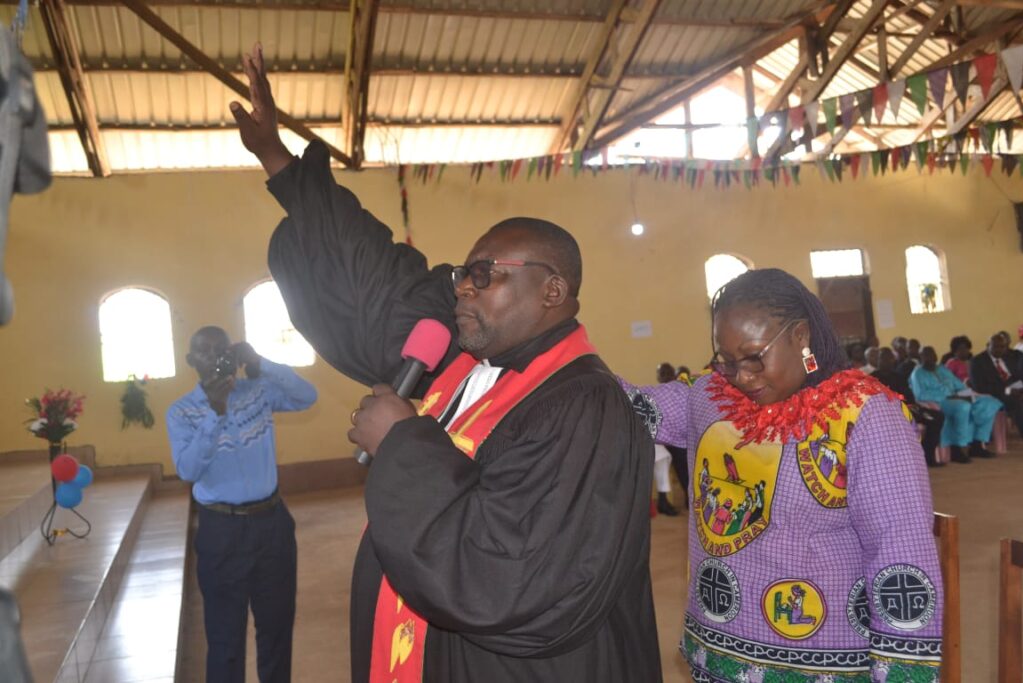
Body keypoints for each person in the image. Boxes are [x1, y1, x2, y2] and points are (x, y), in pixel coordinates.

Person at [230, 43, 661, 683]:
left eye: (485, 275)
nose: (463, 287)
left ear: (553, 292)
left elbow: (503, 573)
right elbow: (371, 271)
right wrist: (275, 157)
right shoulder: (459, 358)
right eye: (464, 273)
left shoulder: (584, 410)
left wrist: (402, 440)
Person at [620, 269, 943, 682]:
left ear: (801, 336)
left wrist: (901, 673)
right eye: (727, 360)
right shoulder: (710, 396)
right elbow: (623, 407)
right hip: (719, 655)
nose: (742, 376)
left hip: (820, 664)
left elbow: (900, 550)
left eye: (754, 356)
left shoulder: (864, 414)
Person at [167, 326, 317, 683]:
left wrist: (260, 362)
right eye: (205, 352)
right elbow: (188, 469)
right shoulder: (182, 412)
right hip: (222, 532)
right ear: (191, 361)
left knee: (277, 629)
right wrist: (214, 416)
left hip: (272, 524)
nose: (216, 358)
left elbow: (306, 396)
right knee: (224, 639)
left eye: (223, 350)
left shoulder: (258, 391)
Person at [911, 346, 1000, 463]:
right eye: (926, 355)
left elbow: (959, 386)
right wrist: (950, 396)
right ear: (921, 358)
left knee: (990, 402)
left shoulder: (942, 369)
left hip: (957, 397)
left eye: (932, 355)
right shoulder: (917, 374)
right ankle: (956, 449)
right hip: (939, 402)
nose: (930, 358)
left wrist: (968, 394)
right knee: (963, 406)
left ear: (936, 356)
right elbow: (920, 395)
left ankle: (977, 444)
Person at [873, 347, 945, 467]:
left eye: (889, 358)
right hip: (887, 414)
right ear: (878, 360)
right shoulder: (872, 379)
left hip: (908, 409)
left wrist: (914, 407)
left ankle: (928, 456)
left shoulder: (898, 376)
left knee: (937, 417)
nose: (887, 361)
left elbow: (909, 396)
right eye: (884, 358)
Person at [970, 333, 1023, 438]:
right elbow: (979, 387)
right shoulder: (977, 361)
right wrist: (1008, 390)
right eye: (995, 346)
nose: (999, 349)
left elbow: (1018, 376)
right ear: (987, 345)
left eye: (1002, 347)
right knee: (1014, 401)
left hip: (1014, 389)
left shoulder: (1009, 358)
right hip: (994, 394)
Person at [655, 362, 687, 514]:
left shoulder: (663, 392)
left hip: (674, 441)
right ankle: (667, 500)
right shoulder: (675, 391)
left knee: (671, 462)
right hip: (673, 441)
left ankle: (666, 501)